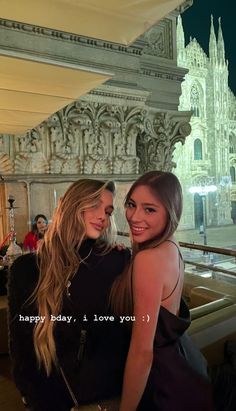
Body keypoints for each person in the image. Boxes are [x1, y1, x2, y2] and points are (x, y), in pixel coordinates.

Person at [8, 179, 130, 411]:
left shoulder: (115, 261)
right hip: (48, 398)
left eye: (108, 210)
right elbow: (21, 346)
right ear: (73, 205)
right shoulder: (27, 269)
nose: (103, 216)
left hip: (102, 395)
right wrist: (29, 396)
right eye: (94, 206)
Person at [110, 170, 213, 411]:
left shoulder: (148, 260)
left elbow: (142, 352)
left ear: (171, 212)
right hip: (185, 366)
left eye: (150, 209)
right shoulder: (171, 244)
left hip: (162, 383)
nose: (134, 217)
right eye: (131, 205)